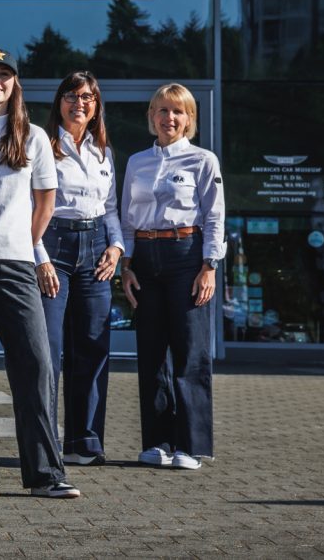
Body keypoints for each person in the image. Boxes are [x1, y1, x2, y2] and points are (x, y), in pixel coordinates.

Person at [0, 50, 79, 500]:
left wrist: (25, 242)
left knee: (36, 363)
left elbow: (45, 200)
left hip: (17, 263)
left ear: (15, 83)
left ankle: (45, 474)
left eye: (5, 74)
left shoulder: (33, 136)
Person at [121, 83, 224, 471]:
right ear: (152, 116)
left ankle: (190, 446)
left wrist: (209, 266)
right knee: (151, 352)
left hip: (187, 257)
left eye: (178, 111)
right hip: (145, 259)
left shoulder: (203, 160)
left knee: (189, 350)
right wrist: (127, 265)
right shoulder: (137, 162)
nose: (169, 118)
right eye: (162, 110)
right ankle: (157, 442)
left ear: (189, 119)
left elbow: (214, 217)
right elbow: (127, 218)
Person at [42, 71, 124, 467]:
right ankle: (45, 444)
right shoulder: (42, 145)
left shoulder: (103, 151)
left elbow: (110, 209)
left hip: (96, 250)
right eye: (72, 96)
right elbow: (31, 207)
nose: (80, 103)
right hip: (53, 246)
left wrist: (117, 247)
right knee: (48, 351)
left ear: (96, 106)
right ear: (60, 102)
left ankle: (83, 441)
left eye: (88, 97)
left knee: (92, 346)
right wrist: (39, 258)